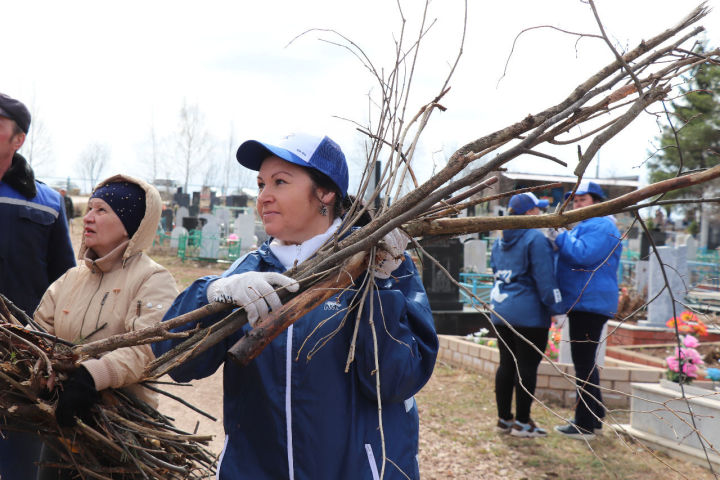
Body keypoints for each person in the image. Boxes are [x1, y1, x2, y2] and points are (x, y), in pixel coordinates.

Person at [153, 132, 438, 479]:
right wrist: (212, 293)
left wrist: (379, 287)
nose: (263, 197)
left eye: (280, 182)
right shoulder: (249, 273)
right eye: (260, 185)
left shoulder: (384, 264)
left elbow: (396, 382)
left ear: (326, 192)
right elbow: (177, 362)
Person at [33, 174, 179, 478]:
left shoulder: (153, 279)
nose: (88, 217)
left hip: (119, 437)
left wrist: (92, 376)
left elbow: (148, 347)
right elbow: (39, 330)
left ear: (130, 223)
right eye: (89, 209)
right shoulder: (72, 278)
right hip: (64, 427)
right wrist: (44, 369)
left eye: (102, 210)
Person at [0, 92, 75, 480]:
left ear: (18, 140)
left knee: (18, 463)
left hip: (22, 360)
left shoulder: (46, 203)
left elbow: (66, 283)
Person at [551, 181, 621, 440]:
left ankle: (584, 425)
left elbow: (583, 255)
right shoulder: (588, 225)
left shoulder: (601, 225)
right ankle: (596, 414)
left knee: (583, 364)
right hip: (583, 301)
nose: (578, 204)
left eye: (583, 200)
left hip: (589, 302)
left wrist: (560, 236)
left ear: (597, 202)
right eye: (575, 200)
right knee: (586, 361)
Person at [490, 192, 563, 438]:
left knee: (506, 365)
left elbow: (495, 271)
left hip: (501, 310)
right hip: (529, 314)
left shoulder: (499, 239)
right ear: (530, 213)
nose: (541, 213)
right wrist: (557, 308)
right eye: (538, 209)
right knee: (527, 367)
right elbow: (545, 280)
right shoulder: (535, 238)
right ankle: (522, 423)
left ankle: (504, 419)